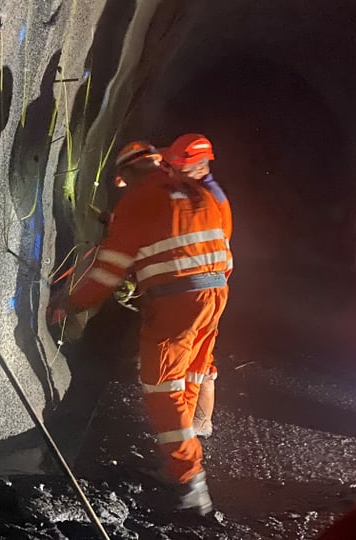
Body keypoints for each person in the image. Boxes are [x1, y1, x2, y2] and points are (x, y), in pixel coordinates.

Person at [48, 140, 232, 516]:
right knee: (192, 372)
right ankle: (190, 443)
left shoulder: (138, 201)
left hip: (177, 304)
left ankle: (189, 480)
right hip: (215, 293)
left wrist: (71, 303)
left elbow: (107, 271)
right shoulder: (197, 190)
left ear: (129, 172)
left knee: (161, 388)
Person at [163, 134, 232, 438]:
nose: (173, 172)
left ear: (200, 167)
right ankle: (199, 423)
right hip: (203, 287)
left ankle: (189, 432)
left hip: (203, 289)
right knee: (198, 357)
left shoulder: (211, 201)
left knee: (192, 362)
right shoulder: (197, 189)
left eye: (180, 167)